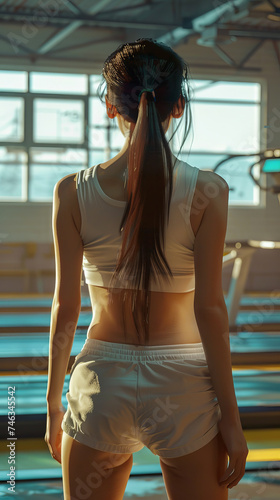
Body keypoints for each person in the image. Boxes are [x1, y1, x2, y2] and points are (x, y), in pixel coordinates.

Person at [44, 38, 248, 500]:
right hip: (183, 388)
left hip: (101, 385)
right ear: (178, 106)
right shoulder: (209, 191)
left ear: (110, 106)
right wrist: (232, 423)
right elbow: (212, 312)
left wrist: (53, 405)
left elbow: (65, 308)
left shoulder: (72, 192)